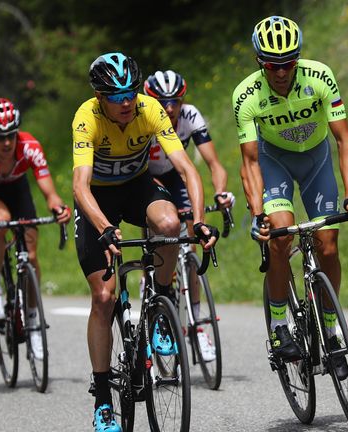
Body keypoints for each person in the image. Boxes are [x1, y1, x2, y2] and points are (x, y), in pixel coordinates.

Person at [72, 52, 216, 431]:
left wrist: (198, 222)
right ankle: (103, 398)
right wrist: (104, 226)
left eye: (130, 93)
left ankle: (163, 305)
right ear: (100, 96)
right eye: (115, 96)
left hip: (136, 188)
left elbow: (187, 170)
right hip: (97, 199)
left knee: (169, 224)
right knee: (103, 298)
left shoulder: (149, 108)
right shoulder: (86, 117)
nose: (125, 102)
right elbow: (79, 185)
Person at [233, 16, 348, 379]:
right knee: (280, 236)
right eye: (272, 65)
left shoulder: (320, 76)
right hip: (272, 160)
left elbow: (345, 141)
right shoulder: (246, 95)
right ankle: (279, 326)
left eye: (288, 64)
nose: (280, 72)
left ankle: (330, 328)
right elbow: (249, 163)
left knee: (328, 245)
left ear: (298, 59)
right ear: (259, 62)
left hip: (316, 160)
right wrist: (257, 213)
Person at [0, 97, 70, 360]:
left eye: (11, 135)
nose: (7, 143)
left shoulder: (30, 146)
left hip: (18, 189)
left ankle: (33, 321)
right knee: (1, 218)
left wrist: (58, 208)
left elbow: (49, 192)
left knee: (31, 257)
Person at [144, 70, 235, 361]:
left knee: (192, 241)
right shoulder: (142, 118)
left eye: (176, 101)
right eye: (163, 102)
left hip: (175, 174)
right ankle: (156, 297)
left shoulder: (190, 115)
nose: (170, 108)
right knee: (158, 238)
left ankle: (196, 327)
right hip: (145, 178)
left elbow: (214, 163)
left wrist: (220, 192)